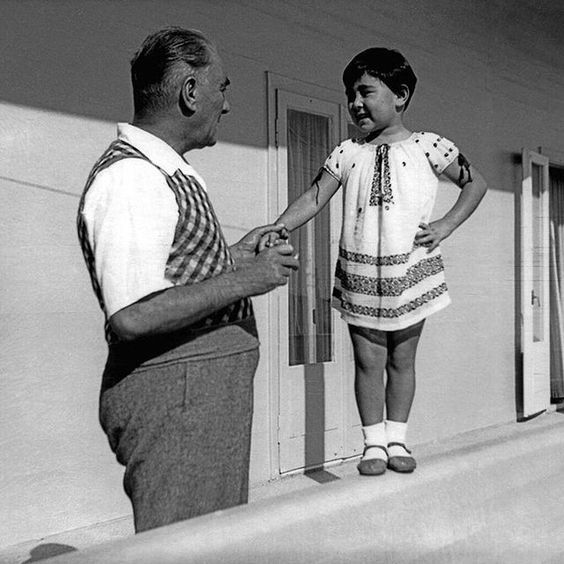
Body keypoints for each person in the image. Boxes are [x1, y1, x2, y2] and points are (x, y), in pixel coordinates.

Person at [77, 27, 298, 532]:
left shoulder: (165, 171)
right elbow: (133, 315)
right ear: (190, 91)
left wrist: (233, 257)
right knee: (183, 548)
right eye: (222, 88)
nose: (227, 105)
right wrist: (246, 281)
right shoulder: (132, 177)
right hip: (178, 399)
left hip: (198, 396)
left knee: (210, 543)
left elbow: (172, 272)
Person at [261, 47, 487, 476]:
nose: (355, 103)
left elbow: (476, 184)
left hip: (410, 270)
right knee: (368, 361)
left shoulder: (429, 146)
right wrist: (279, 226)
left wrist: (446, 225)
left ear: (400, 95)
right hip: (361, 273)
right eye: (351, 94)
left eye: (366, 92)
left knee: (402, 358)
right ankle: (373, 445)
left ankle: (397, 439)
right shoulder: (347, 152)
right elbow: (314, 197)